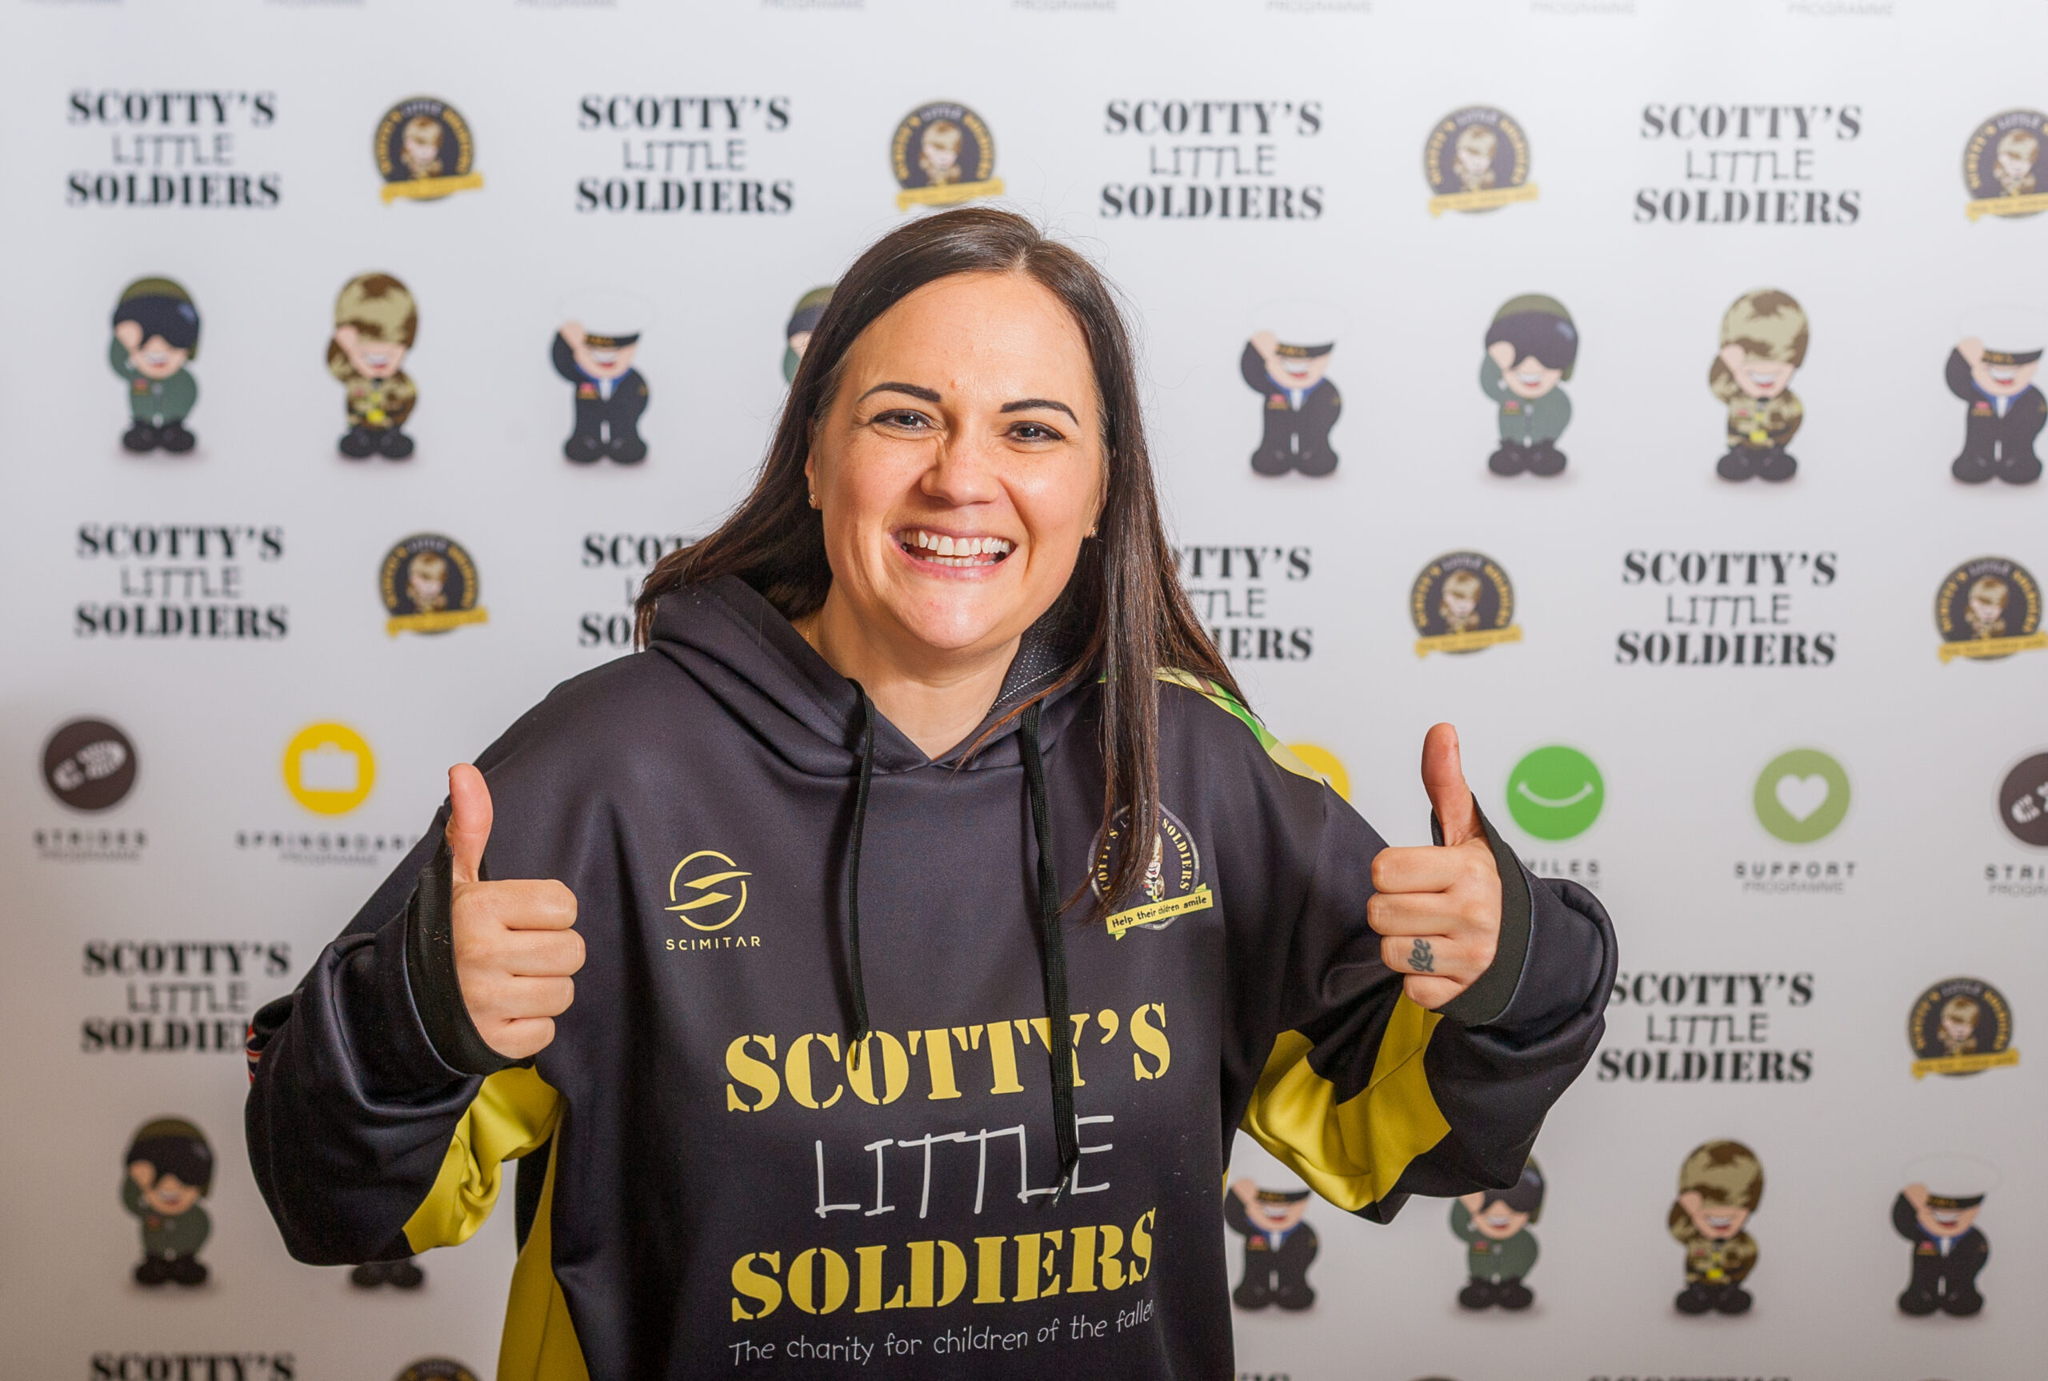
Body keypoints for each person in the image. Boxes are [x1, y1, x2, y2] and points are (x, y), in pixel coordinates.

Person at [246, 207, 1616, 1379]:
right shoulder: (610, 769)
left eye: (1032, 429)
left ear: (1100, 488)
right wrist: (413, 1015)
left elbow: (1404, 1131)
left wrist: (1513, 963)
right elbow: (340, 1200)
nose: (962, 478)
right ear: (814, 455)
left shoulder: (1185, 765)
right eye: (904, 416)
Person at [1709, 289, 1807, 483]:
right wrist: (1724, 362)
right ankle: (1741, 460)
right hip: (1741, 446)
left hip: (1772, 447)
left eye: (1776, 373)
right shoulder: (1735, 394)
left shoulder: (1787, 402)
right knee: (1733, 465)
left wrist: (1781, 442)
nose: (1764, 379)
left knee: (1780, 465)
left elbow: (1794, 419)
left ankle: (1773, 460)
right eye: (1751, 373)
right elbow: (1718, 387)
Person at [1480, 295, 1575, 477]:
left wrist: (1548, 439)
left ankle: (1543, 450)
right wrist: (1493, 360)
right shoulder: (1507, 397)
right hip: (1511, 443)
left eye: (1547, 357)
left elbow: (1563, 414)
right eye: (1516, 359)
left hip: (1545, 443)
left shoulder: (1557, 401)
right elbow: (1489, 386)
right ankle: (1512, 449)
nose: (1530, 368)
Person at [110, 277, 201, 455]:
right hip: (142, 422)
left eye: (171, 345)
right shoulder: (136, 376)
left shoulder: (183, 381)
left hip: (174, 421)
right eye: (142, 345)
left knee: (175, 435)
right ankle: (144, 430)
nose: (157, 350)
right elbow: (118, 364)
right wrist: (120, 341)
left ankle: (172, 430)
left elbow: (189, 393)